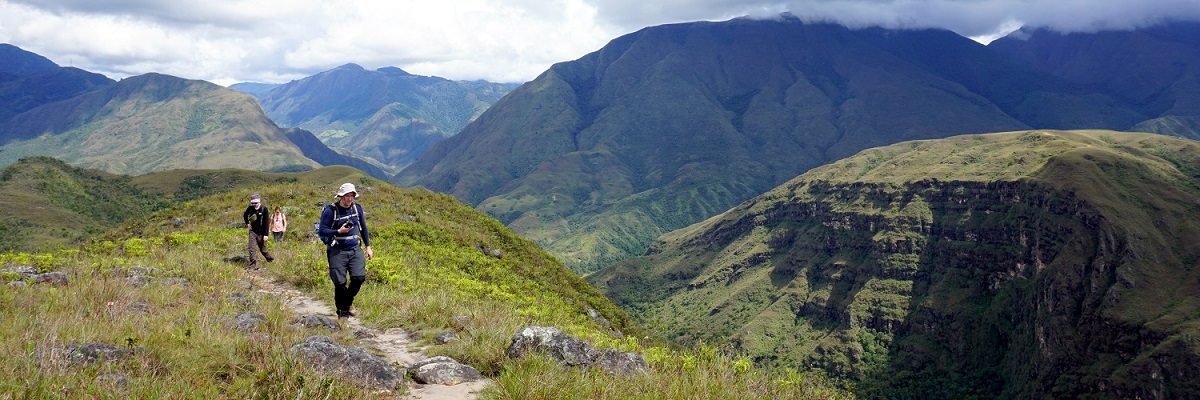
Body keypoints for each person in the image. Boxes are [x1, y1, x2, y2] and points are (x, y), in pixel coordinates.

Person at [318, 183, 374, 318]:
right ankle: (342, 312)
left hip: (355, 248)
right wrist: (338, 231)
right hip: (337, 250)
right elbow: (322, 229)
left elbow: (363, 229)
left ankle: (348, 302)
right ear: (341, 196)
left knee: (358, 278)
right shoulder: (331, 210)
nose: (349, 199)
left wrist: (368, 246)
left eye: (351, 196)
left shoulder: (357, 208)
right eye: (346, 196)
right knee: (339, 283)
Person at [243, 193, 274, 269]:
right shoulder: (250, 208)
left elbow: (266, 222)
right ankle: (252, 266)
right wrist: (247, 223)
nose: (254, 205)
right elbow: (245, 215)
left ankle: (270, 259)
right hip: (253, 232)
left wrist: (266, 235)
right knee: (251, 248)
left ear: (259, 202)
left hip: (262, 233)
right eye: (253, 203)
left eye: (255, 203)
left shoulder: (264, 209)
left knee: (263, 249)